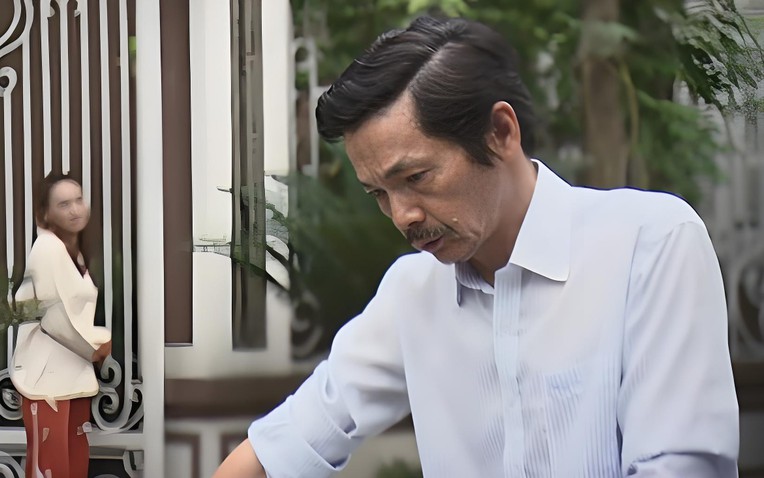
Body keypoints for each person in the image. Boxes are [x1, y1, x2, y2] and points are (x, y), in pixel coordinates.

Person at [215, 16, 739, 477]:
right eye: (379, 194)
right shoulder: (414, 293)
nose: (402, 215)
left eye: (416, 177)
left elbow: (680, 466)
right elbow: (284, 446)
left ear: (501, 131)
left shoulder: (650, 245)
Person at [10, 173, 112, 478]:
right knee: (51, 468)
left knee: (73, 466)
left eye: (78, 200)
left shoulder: (71, 251)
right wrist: (94, 349)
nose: (75, 209)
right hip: (47, 380)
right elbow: (53, 319)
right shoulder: (46, 249)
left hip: (72, 376)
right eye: (64, 204)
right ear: (45, 213)